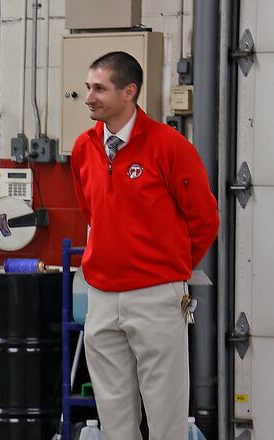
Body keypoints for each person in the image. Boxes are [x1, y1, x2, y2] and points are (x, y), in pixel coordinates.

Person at [70, 51, 219, 440]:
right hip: (101, 298)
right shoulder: (84, 149)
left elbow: (205, 219)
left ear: (129, 92)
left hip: (156, 297)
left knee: (166, 415)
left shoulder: (169, 146)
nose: (89, 97)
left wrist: (168, 269)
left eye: (99, 88)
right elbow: (92, 214)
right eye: (88, 87)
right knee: (114, 418)